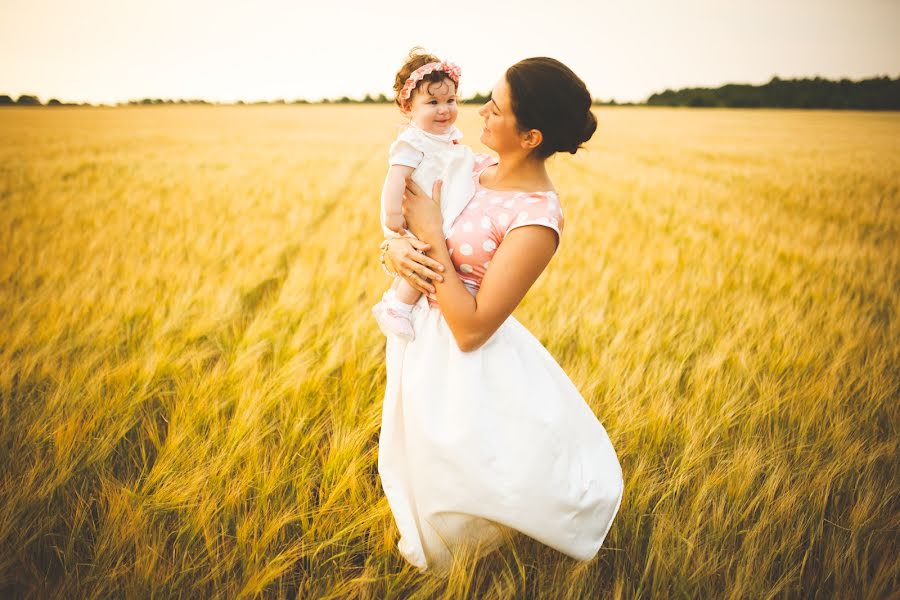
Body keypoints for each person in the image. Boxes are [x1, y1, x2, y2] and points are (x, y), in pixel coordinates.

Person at [376, 57, 624, 577]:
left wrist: (429, 235)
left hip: (468, 363)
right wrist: (394, 249)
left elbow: (471, 330)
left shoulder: (536, 218)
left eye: (498, 107)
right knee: (418, 460)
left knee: (467, 473)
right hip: (421, 340)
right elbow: (410, 230)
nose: (480, 111)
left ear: (530, 135)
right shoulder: (468, 166)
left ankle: (467, 570)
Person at [372, 48, 475, 341]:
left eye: (450, 101)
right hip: (417, 214)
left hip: (440, 209)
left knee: (432, 252)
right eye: (432, 102)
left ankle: (397, 300)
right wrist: (392, 215)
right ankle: (398, 306)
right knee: (427, 256)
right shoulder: (413, 141)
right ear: (408, 108)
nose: (444, 109)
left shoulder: (449, 137)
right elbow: (396, 178)